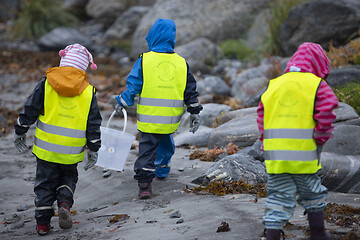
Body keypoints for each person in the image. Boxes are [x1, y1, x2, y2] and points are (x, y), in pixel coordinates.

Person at [13, 43, 102, 236]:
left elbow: (30, 109)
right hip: (71, 151)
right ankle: (64, 204)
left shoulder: (47, 84)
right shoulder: (88, 92)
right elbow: (93, 123)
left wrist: (20, 130)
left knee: (44, 183)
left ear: (63, 62)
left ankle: (43, 224)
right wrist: (94, 148)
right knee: (68, 177)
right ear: (84, 67)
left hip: (46, 149)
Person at [257, 42, 338, 240]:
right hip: (304, 155)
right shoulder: (317, 85)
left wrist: (265, 141)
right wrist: (321, 137)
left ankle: (273, 235)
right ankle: (318, 233)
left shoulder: (274, 84)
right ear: (319, 65)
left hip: (275, 156)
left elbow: (262, 115)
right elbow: (327, 111)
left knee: (277, 196)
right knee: (312, 193)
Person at [115, 18, 203, 199]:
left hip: (149, 118)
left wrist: (122, 102)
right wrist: (194, 111)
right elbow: (190, 90)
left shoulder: (145, 60)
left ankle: (145, 185)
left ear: (153, 37)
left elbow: (133, 86)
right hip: (170, 119)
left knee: (147, 149)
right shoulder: (181, 63)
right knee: (165, 143)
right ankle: (162, 170)